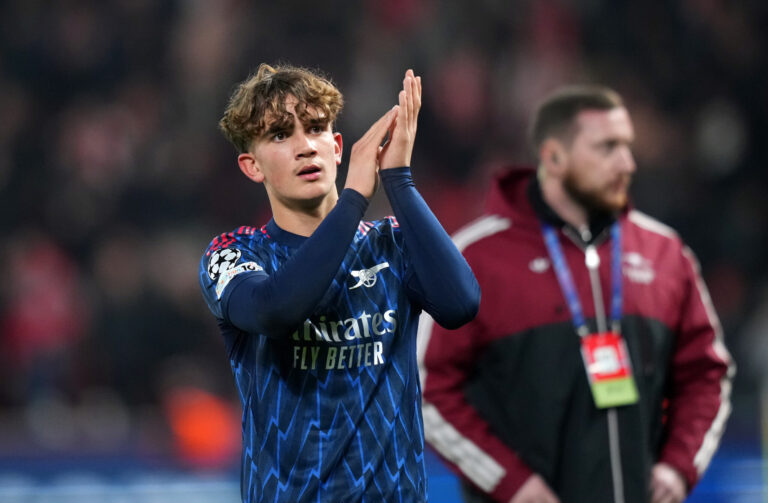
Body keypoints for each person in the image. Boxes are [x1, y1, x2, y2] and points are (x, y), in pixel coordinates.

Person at [419, 85, 734, 503]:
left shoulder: (664, 252)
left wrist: (678, 467)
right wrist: (511, 483)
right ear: (553, 157)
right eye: (608, 147)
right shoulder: (475, 258)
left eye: (627, 146)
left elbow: (707, 374)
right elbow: (426, 387)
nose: (628, 162)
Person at [198, 63, 480, 502]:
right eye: (279, 135)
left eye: (315, 129)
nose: (304, 146)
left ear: (337, 146)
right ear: (252, 166)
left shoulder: (391, 243)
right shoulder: (235, 254)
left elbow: (461, 304)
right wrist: (353, 198)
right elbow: (275, 310)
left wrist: (397, 178)